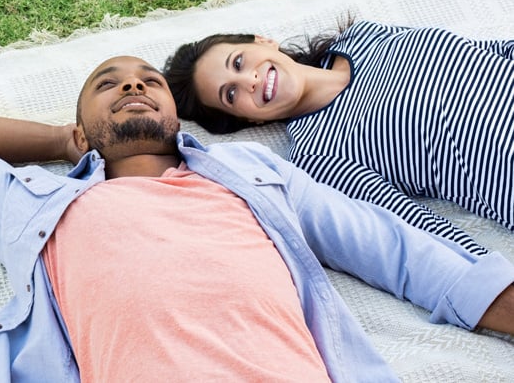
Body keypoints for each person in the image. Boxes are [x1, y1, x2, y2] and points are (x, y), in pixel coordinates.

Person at [0, 56, 514, 382]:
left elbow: (392, 248)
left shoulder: (250, 173)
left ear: (173, 114)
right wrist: (59, 140)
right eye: (109, 85)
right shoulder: (37, 206)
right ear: (86, 126)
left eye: (148, 81)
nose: (133, 86)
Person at [163, 20, 514, 257]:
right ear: (246, 120)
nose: (249, 81)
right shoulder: (318, 154)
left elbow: (490, 50)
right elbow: (413, 226)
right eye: (231, 94)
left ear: (264, 42)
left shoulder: (365, 36)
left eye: (238, 62)